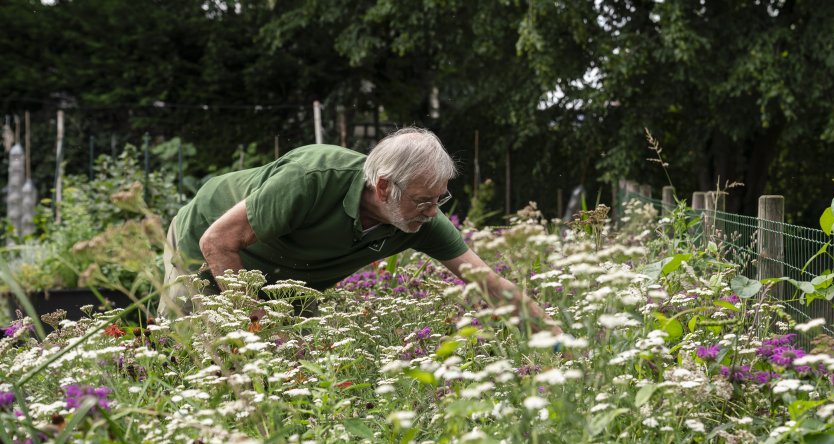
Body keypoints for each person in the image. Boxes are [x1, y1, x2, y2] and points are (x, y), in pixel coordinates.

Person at [161, 127, 556, 332]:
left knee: (299, 370)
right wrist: (253, 324)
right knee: (193, 351)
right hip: (206, 245)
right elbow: (218, 241)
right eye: (423, 200)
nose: (434, 212)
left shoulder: (419, 220)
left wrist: (557, 341)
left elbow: (489, 284)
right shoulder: (311, 178)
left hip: (285, 279)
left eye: (440, 198)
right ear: (383, 187)